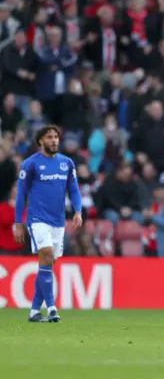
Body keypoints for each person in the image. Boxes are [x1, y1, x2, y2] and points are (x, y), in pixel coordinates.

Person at [12, 125, 82, 323]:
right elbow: (21, 195)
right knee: (48, 255)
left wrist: (78, 211)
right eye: (50, 137)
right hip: (37, 220)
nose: (54, 140)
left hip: (58, 222)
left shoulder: (67, 163)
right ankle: (52, 308)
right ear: (40, 141)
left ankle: (35, 311)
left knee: (47, 264)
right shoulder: (31, 164)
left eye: (56, 137)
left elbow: (74, 190)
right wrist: (18, 223)